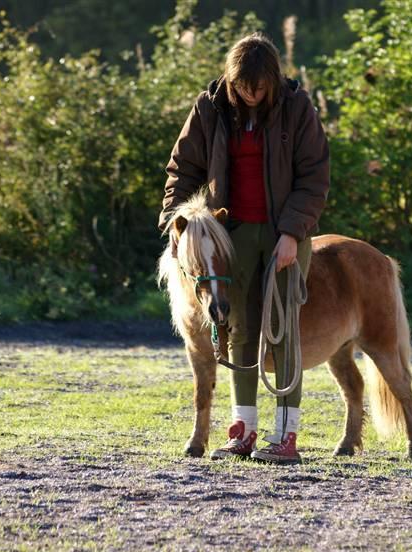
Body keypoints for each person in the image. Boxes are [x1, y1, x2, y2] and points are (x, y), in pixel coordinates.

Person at [158, 33, 329, 464]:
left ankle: (286, 437)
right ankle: (243, 431)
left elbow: (314, 176)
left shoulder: (297, 107)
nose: (252, 95)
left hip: (283, 233)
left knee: (284, 329)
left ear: (272, 80)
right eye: (244, 87)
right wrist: (173, 223)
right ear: (232, 81)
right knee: (238, 331)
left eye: (259, 87)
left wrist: (291, 233)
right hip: (229, 235)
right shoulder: (210, 107)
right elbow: (182, 168)